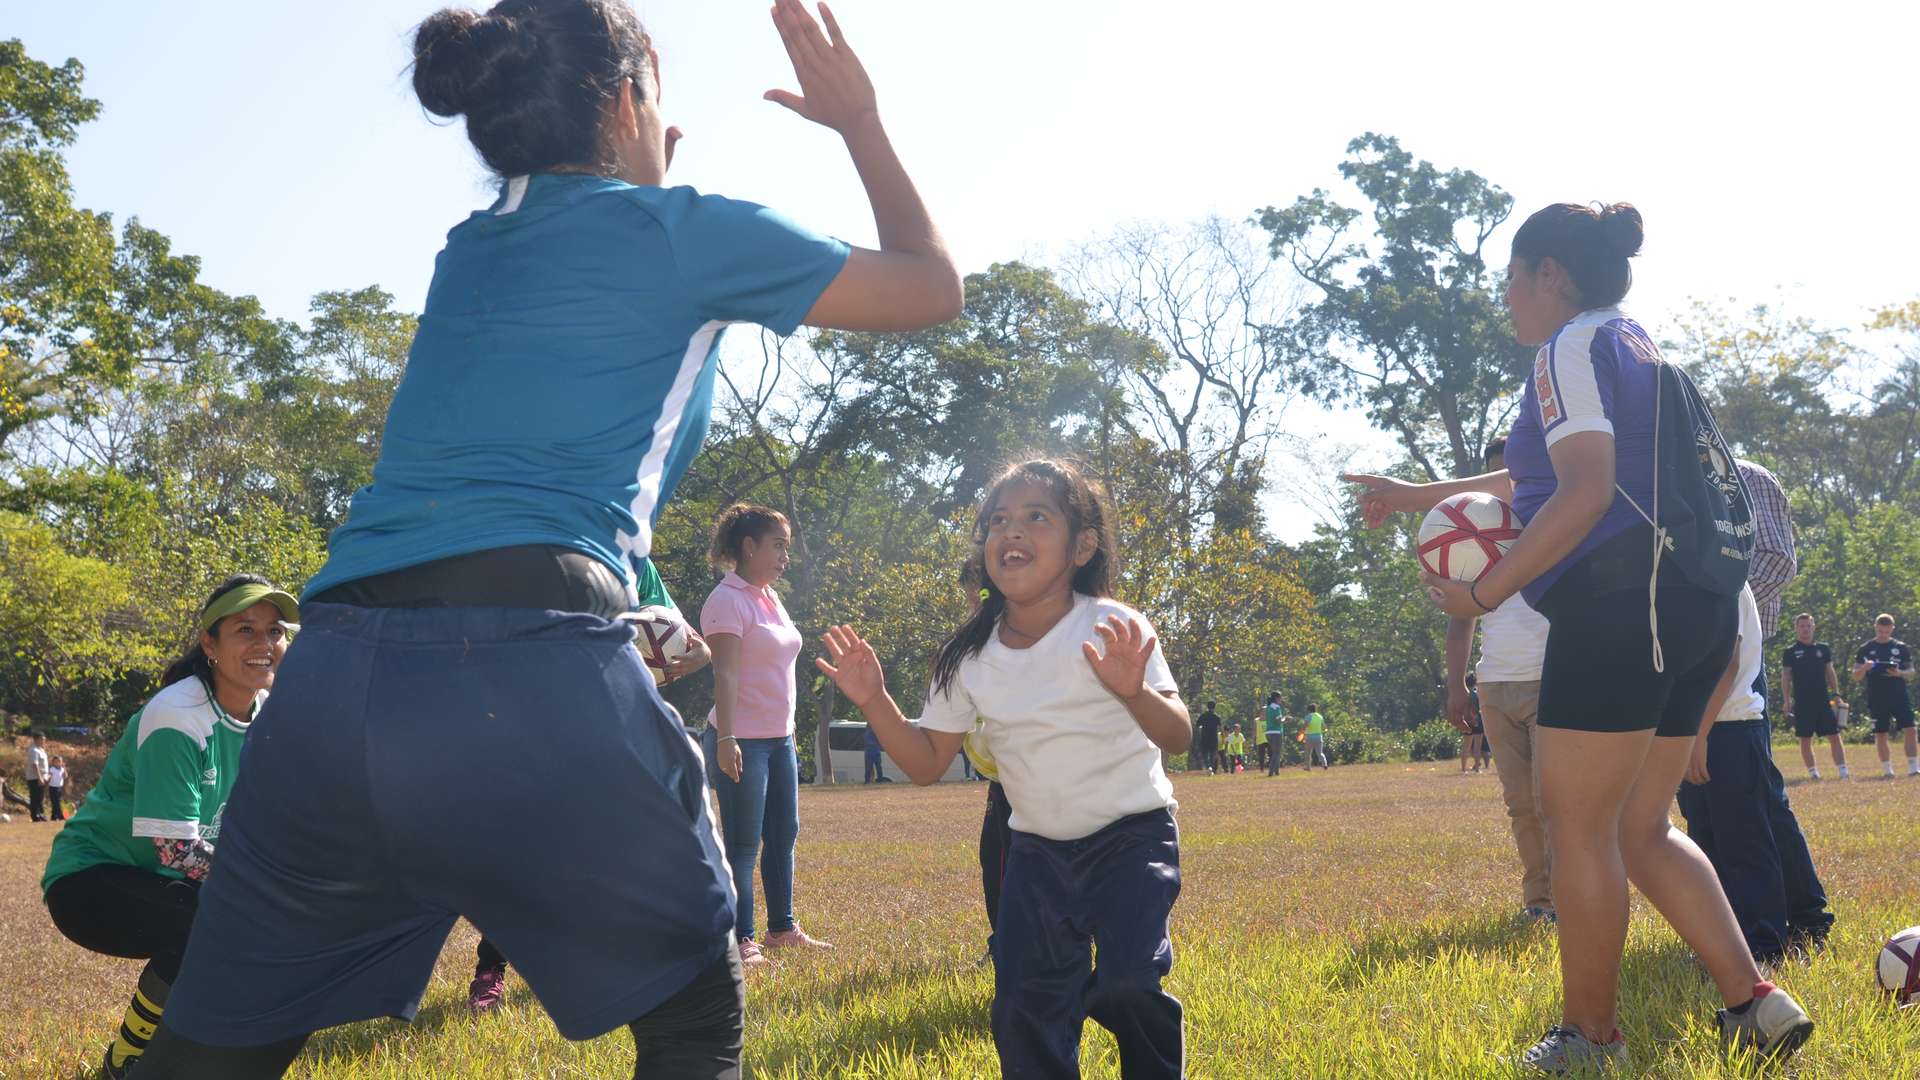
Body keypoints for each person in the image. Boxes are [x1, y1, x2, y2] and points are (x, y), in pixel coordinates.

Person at [132, 2, 961, 1075]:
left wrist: (644, 178)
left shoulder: (468, 251)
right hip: (526, 660)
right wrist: (859, 121)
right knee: (694, 1012)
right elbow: (932, 286)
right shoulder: (688, 231)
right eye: (657, 94)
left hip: (334, 677)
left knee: (212, 1052)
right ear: (622, 100)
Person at [1350, 202, 1811, 1069]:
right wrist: (1424, 494)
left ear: (1548, 273)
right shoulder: (1633, 343)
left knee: (1581, 831)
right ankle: (1755, 1001)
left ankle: (1591, 1039)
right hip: (1698, 606)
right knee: (1643, 826)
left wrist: (1483, 592)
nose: (1507, 299)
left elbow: (1586, 490)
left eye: (1511, 279)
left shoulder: (1563, 348)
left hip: (1620, 608)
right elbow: (1552, 463)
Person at [816, 458, 1191, 1079]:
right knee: (1023, 1005)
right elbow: (926, 762)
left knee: (1127, 985)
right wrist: (875, 701)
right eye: (998, 521)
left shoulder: (1112, 626)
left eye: (1036, 517)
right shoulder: (968, 657)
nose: (1010, 532)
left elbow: (1176, 735)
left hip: (1133, 838)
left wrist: (1133, 691)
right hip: (1037, 852)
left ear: (1083, 546)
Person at [40, 576, 296, 1079]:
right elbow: (175, 850)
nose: (265, 644)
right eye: (246, 629)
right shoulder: (178, 714)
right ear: (209, 643)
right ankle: (129, 1061)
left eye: (276, 630)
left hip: (167, 881)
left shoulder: (265, 714)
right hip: (89, 880)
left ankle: (201, 1056)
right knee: (219, 919)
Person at [467, 553, 712, 1015]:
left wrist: (700, 653)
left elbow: (681, 632)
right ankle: (490, 970)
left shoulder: (635, 560)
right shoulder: (535, 554)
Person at [1381, 435, 1556, 922]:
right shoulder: (1468, 541)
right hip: (1497, 683)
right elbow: (1462, 618)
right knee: (1521, 804)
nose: (1505, 490)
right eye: (1498, 477)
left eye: (1513, 478)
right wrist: (1457, 685)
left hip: (1553, 677)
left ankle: (1568, 897)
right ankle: (1538, 902)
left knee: (1554, 801)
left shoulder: (1553, 524)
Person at [701, 504, 834, 966]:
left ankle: (782, 928)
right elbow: (727, 675)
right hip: (741, 741)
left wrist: (787, 736)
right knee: (743, 842)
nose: (784, 557)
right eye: (777, 545)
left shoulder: (769, 597)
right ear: (748, 546)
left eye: (787, 548)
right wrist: (726, 739)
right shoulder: (726, 600)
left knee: (783, 835)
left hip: (780, 740)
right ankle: (741, 939)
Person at [1677, 586, 1836, 965]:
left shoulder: (1717, 575)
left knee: (1745, 840)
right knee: (1707, 838)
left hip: (1728, 726)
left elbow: (1726, 662)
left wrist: (1697, 736)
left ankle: (1764, 944)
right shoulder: (1677, 577)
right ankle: (1727, 937)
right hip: (1693, 729)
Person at [1781, 614, 1847, 779]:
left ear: (1813, 627)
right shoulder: (1790, 652)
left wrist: (1836, 694)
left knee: (1834, 735)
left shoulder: (1823, 649)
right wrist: (1787, 699)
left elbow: (1830, 673)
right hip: (1803, 702)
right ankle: (1813, 773)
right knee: (1805, 738)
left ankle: (1843, 770)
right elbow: (1786, 677)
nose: (1805, 629)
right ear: (1796, 628)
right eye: (1802, 626)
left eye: (1808, 626)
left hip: (1823, 701)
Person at [1852, 614, 1917, 778]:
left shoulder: (1900, 647)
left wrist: (1899, 673)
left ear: (1892, 629)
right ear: (1875, 627)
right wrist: (1865, 668)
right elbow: (1855, 675)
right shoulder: (1865, 649)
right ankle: (1888, 770)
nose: (1883, 635)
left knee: (1910, 729)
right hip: (1877, 697)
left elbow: (1911, 673)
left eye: (1887, 632)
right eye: (1880, 631)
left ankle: (1913, 767)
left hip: (1899, 696)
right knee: (1881, 733)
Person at [26, 732, 49, 822]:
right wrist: (39, 778)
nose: (44, 741)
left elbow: (44, 765)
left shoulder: (41, 750)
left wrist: (47, 775)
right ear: (36, 739)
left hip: (43, 777)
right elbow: (35, 765)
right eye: (42, 739)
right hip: (35, 777)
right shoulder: (33, 750)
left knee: (40, 797)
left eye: (44, 739)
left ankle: (40, 814)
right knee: (35, 797)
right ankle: (35, 815)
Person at [1193, 701, 1222, 774]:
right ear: (1214, 707)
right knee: (1213, 754)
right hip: (1213, 738)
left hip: (1204, 737)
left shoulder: (1203, 716)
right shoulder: (1216, 717)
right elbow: (1220, 728)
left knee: (1204, 754)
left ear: (1207, 706)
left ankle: (1208, 766)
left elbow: (1197, 726)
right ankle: (1211, 767)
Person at [1263, 693, 1287, 776]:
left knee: (1275, 753)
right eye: (1280, 698)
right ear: (1277, 698)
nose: (1281, 699)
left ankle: (1277, 771)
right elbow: (1278, 720)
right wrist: (1286, 719)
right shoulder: (1277, 707)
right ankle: (1271, 771)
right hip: (1276, 732)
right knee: (1277, 753)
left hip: (1268, 732)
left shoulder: (1268, 707)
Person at [1301, 705, 1328, 771]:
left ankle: (1308, 767)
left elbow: (1305, 726)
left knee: (1308, 753)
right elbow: (1324, 727)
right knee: (1320, 753)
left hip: (1310, 737)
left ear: (1308, 710)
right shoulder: (1320, 716)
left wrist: (1302, 732)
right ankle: (1325, 764)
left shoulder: (1308, 716)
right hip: (1319, 736)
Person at [47, 754, 67, 821]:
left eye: (59, 761)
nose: (58, 763)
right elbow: (49, 775)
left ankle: (54, 816)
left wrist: (64, 768)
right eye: (56, 762)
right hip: (53, 788)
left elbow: (65, 776)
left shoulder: (62, 769)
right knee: (56, 802)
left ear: (61, 762)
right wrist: (47, 778)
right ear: (53, 763)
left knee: (57, 802)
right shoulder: (52, 769)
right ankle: (60, 815)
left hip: (59, 788)